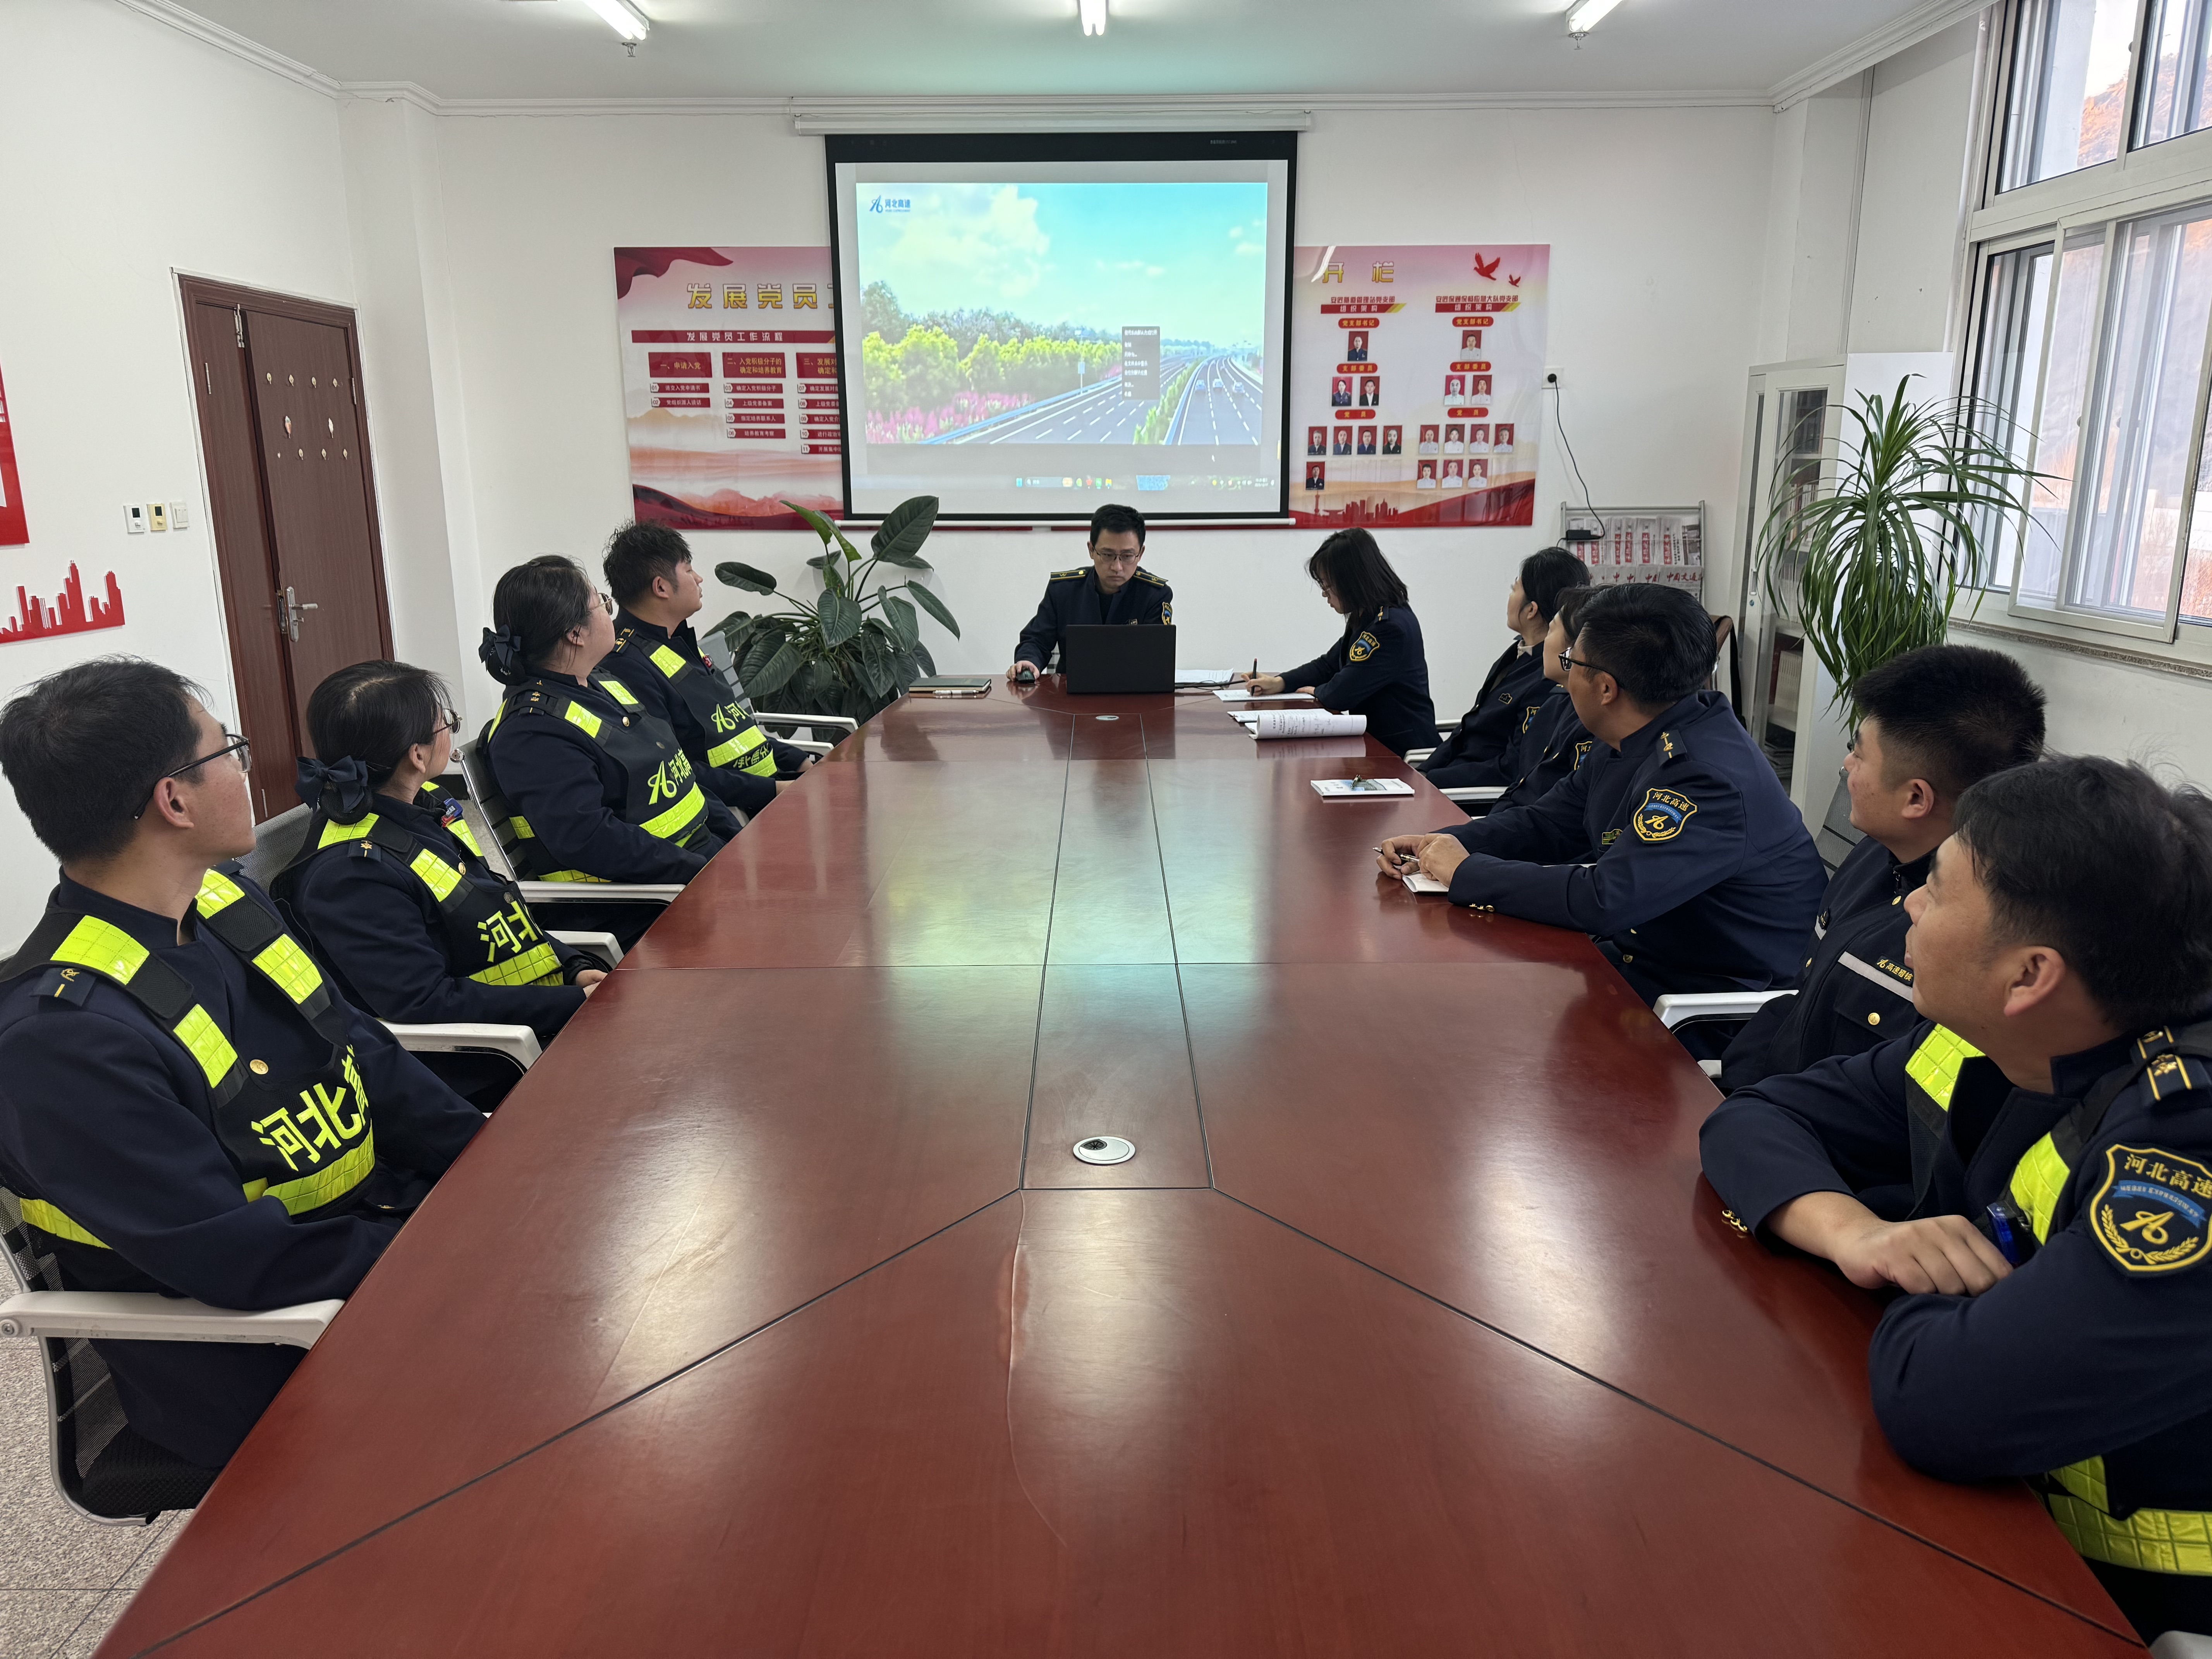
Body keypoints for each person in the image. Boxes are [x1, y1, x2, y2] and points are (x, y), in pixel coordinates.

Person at [1698, 758, 2212, 1647]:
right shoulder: (2009, 1037)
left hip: (2132, 1601)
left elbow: (1940, 1404)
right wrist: (1855, 1232)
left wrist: (1927, 1270)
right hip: (1995, 1520)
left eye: (1937, 890)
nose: (1908, 906)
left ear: (2029, 974)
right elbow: (1755, 1115)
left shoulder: (2183, 1142)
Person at [0, 659, 484, 1472]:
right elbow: (241, 1260)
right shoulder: (60, 1037)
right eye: (229, 750)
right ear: (175, 800)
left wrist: (492, 1163)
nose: (247, 769)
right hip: (272, 1358)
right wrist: (449, 1251)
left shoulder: (225, 903)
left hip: (372, 1259)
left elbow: (358, 1047)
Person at [1377, 582, 1824, 1005]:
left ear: (1607, 688)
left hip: (1698, 1004)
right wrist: (1440, 844)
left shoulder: (1706, 778)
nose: (1565, 673)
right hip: (1634, 963)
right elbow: (1549, 823)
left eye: (1572, 662)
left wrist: (1466, 871)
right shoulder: (1641, 731)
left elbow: (1606, 899)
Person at [275, 660, 606, 1109]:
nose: (450, 729)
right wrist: (570, 1003)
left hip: (533, 1023)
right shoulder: (351, 874)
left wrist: (573, 967)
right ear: (417, 755)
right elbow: (428, 1005)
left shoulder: (421, 810)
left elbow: (497, 909)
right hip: (485, 1065)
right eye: (447, 722)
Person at [1718, 645, 2045, 1092]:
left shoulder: (1974, 942)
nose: (1847, 765)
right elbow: (1799, 1003)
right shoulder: (1877, 852)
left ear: (1916, 798)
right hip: (1757, 1101)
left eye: (1859, 754)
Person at [478, 555, 739, 895]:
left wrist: (735, 841)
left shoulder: (601, 681)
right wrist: (705, 872)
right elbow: (592, 840)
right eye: (601, 602)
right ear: (575, 633)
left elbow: (680, 775)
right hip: (645, 901)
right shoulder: (530, 734)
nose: (609, 609)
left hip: (694, 864)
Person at [602, 520, 814, 821]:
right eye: (689, 570)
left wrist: (803, 764)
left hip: (769, 791)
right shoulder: (625, 666)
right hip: (735, 812)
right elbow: (676, 769)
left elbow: (740, 730)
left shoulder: (680, 643)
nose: (699, 578)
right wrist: (777, 790)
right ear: (661, 587)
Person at [1239, 528, 1441, 757]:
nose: (1325, 594)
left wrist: (1318, 692)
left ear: (1352, 580)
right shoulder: (1366, 616)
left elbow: (1342, 694)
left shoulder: (1390, 627)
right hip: (1373, 746)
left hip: (1403, 756)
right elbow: (1328, 665)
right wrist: (1280, 682)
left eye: (1328, 586)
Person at [1421, 546, 1589, 788]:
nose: (1510, 596)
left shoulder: (1550, 676)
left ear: (1531, 610)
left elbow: (1511, 768)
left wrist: (1433, 780)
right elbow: (1469, 727)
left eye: (1514, 589)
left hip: (1472, 793)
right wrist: (1422, 772)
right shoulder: (1518, 652)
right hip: (1451, 775)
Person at [1005, 503, 1171, 682]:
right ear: (1091, 550)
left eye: (1128, 556)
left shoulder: (1155, 595)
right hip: (1070, 691)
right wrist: (1029, 661)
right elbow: (1037, 640)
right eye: (1107, 555)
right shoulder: (1063, 591)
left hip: (1133, 690)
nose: (1117, 567)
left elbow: (1156, 657)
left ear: (1141, 553)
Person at [1476, 585, 1599, 816]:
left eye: (1551, 631)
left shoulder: (1593, 723)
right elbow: (1521, 786)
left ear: (1573, 652)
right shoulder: (1554, 705)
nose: (1544, 643)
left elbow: (1550, 815)